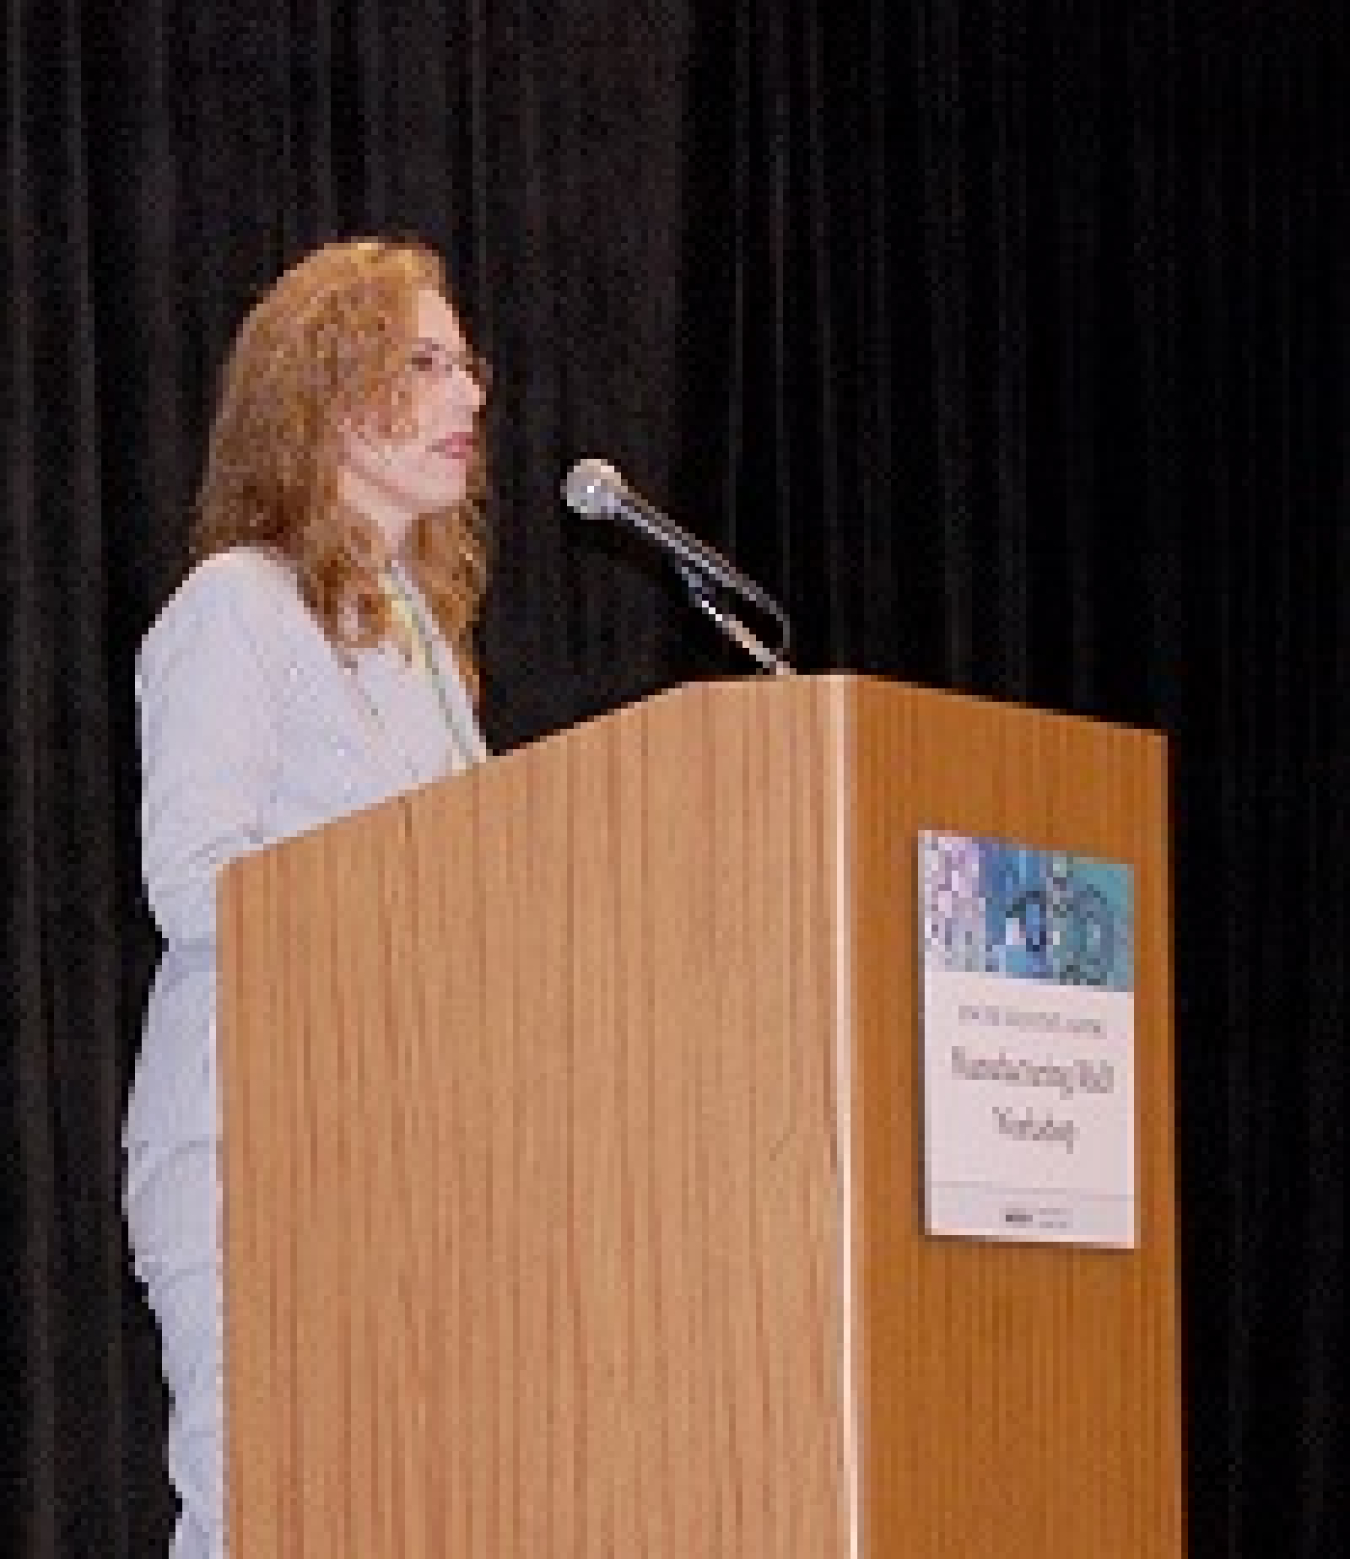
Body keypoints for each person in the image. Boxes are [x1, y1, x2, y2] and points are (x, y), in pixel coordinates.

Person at [123, 237, 491, 1558]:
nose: (471, 396)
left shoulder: (420, 644)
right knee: (266, 1516)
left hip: (401, 1150)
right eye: (428, 364)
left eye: (468, 364)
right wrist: (397, 897)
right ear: (329, 395)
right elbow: (193, 883)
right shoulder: (236, 609)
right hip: (251, 1146)